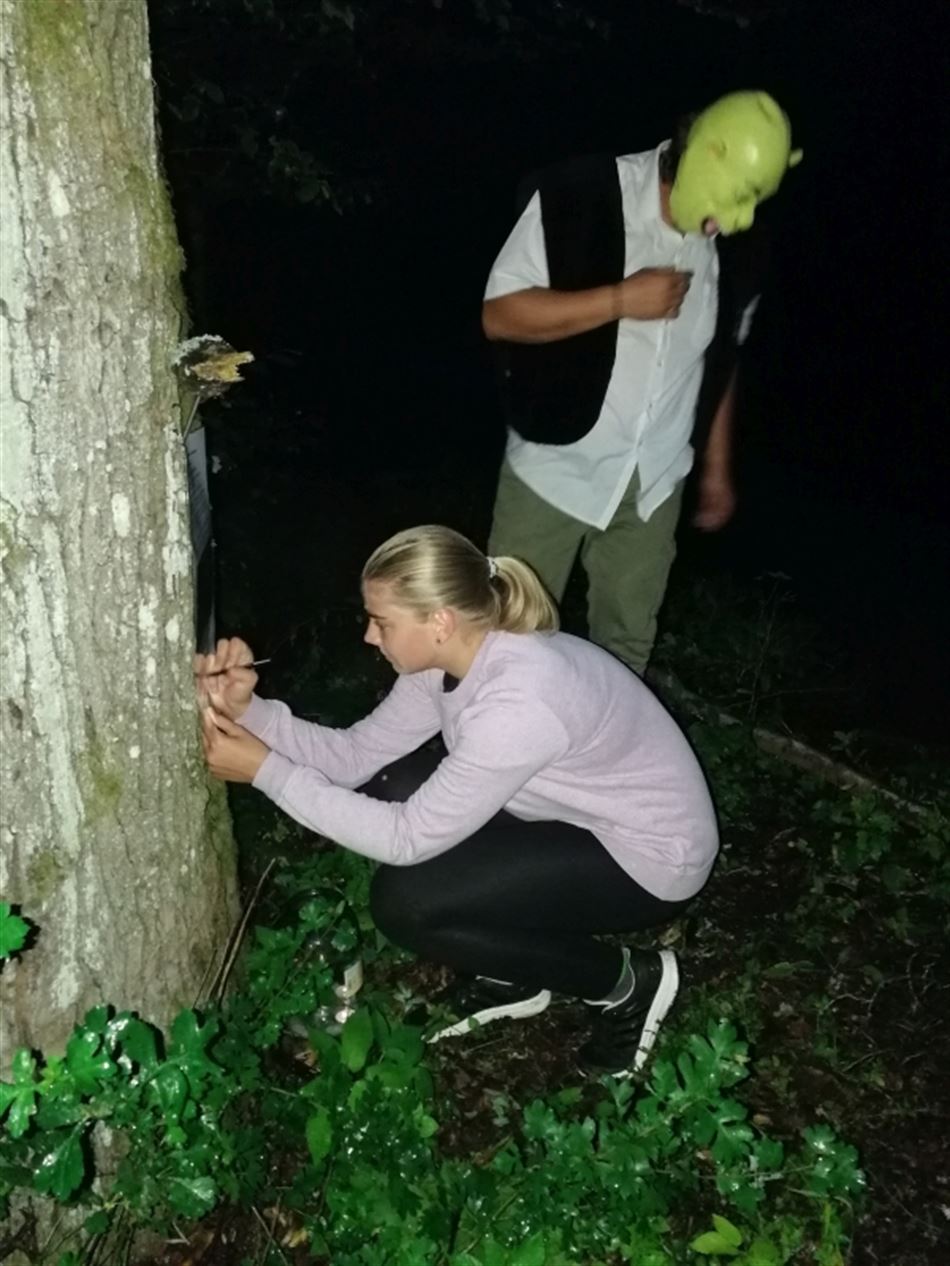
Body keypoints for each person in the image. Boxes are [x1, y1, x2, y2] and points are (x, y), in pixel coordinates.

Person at [197, 525, 718, 1077]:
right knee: (395, 784)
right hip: (575, 817)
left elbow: (405, 839)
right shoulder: (459, 654)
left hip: (651, 857)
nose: (370, 637)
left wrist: (266, 772)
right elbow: (354, 757)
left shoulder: (519, 701)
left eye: (382, 622)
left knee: (407, 904)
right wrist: (251, 712)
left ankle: (626, 982)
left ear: (440, 622)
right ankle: (514, 972)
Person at [484, 90, 803, 674]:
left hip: (655, 479)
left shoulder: (743, 246)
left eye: (755, 199)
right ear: (704, 154)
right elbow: (501, 316)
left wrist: (716, 469)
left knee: (625, 655)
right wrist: (619, 299)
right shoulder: (578, 194)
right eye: (736, 196)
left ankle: (594, 736)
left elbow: (721, 359)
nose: (740, 218)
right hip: (556, 465)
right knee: (505, 641)